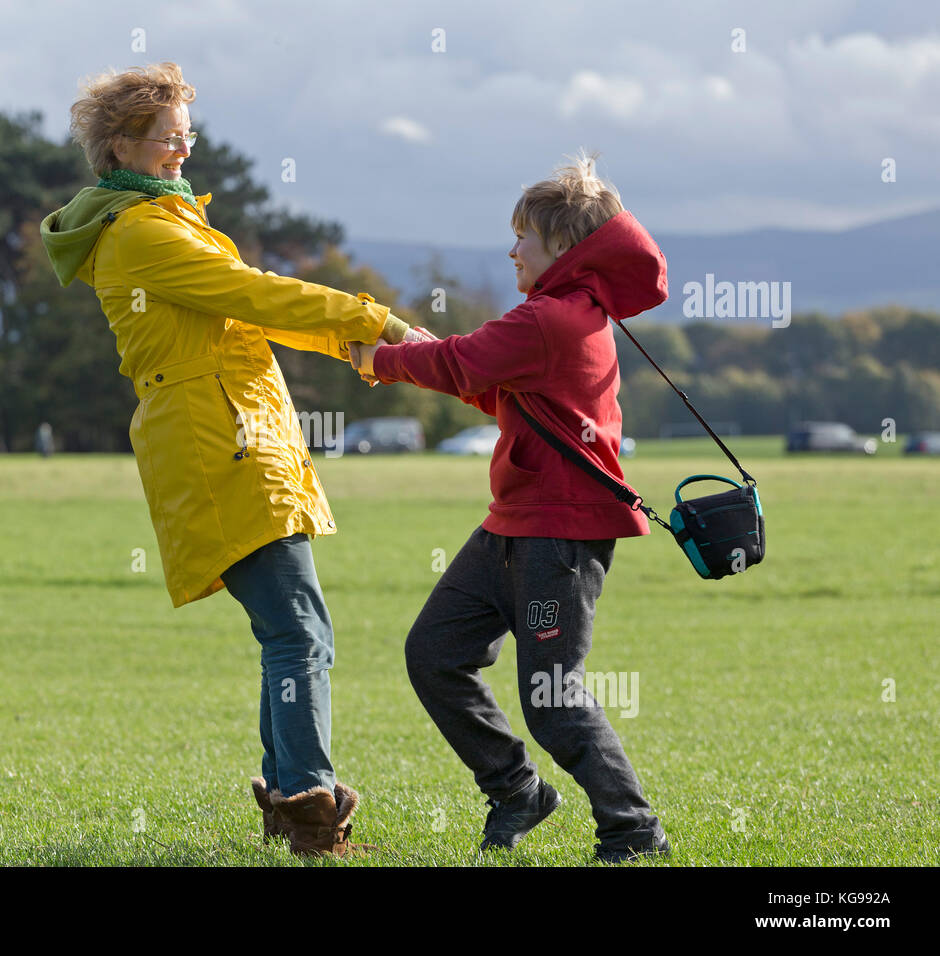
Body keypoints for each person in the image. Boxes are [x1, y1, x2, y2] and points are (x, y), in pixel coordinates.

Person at [39, 61, 430, 857]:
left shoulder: (165, 219)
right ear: (120, 146)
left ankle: (295, 796)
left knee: (289, 630)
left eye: (188, 133)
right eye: (166, 137)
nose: (183, 149)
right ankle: (307, 806)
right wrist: (377, 322)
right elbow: (256, 295)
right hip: (220, 440)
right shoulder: (143, 232)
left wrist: (362, 348)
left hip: (234, 433)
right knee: (298, 629)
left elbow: (249, 310)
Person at [348, 152, 672, 863]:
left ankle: (633, 829)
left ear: (562, 246)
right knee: (435, 654)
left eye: (521, 235)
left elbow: (467, 362)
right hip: (511, 529)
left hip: (559, 540)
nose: (511, 248)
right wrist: (421, 350)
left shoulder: (555, 318)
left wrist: (383, 360)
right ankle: (518, 791)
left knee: (554, 700)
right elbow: (492, 385)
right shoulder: (552, 318)